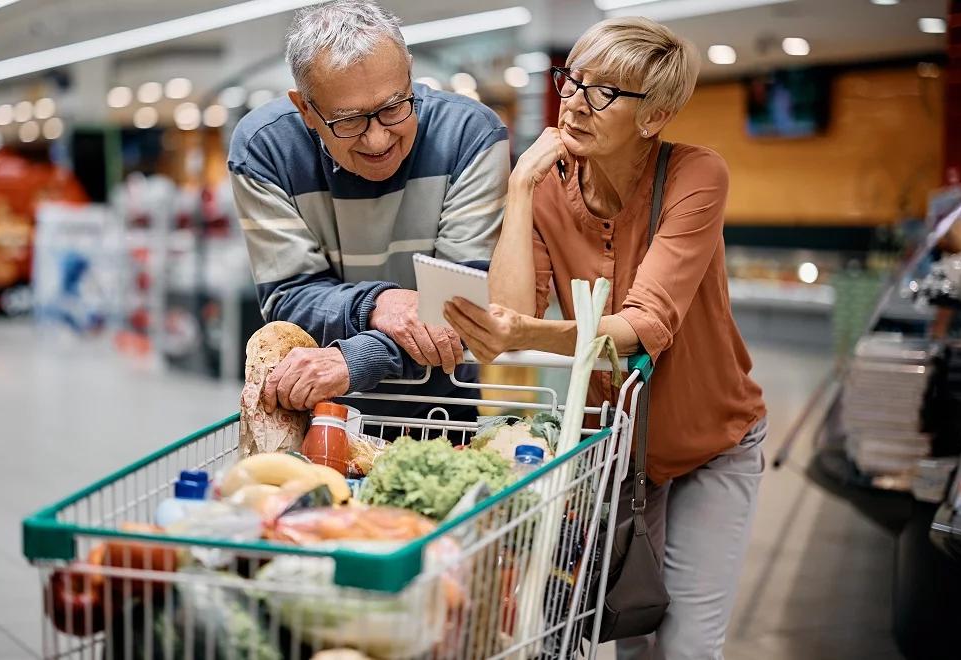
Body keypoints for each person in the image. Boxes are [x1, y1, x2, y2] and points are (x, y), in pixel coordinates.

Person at [443, 17, 767, 659]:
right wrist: (520, 187)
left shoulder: (696, 176)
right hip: (623, 452)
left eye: (605, 92)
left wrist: (526, 333)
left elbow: (647, 328)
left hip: (713, 442)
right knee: (629, 629)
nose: (574, 101)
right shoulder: (548, 193)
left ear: (656, 114)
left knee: (685, 647)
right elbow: (510, 312)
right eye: (574, 81)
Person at [228, 0, 509, 419]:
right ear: (305, 108)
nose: (378, 141)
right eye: (348, 121)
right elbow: (288, 296)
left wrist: (353, 360)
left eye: (394, 107)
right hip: (316, 412)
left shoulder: (471, 137)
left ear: (410, 74)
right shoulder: (264, 149)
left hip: (444, 413)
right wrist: (378, 304)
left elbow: (461, 313)